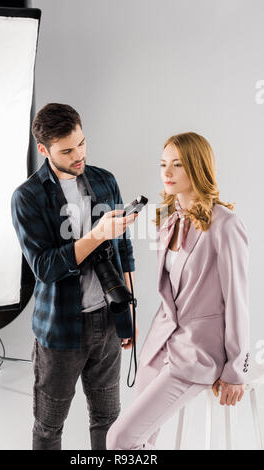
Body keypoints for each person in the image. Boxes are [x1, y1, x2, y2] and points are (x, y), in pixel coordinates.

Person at [106, 132, 250, 450]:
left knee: (118, 438)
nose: (167, 173)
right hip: (157, 347)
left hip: (198, 352)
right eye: (163, 164)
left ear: (197, 168)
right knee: (139, 442)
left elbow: (238, 301)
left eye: (178, 165)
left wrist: (237, 368)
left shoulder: (226, 225)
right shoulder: (168, 222)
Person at [11, 103, 138, 450]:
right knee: (49, 428)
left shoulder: (104, 180)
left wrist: (127, 315)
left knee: (108, 422)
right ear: (44, 149)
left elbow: (124, 250)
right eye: (67, 150)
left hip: (109, 322)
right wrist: (97, 234)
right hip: (60, 331)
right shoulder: (27, 198)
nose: (79, 154)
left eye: (81, 143)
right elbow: (46, 267)